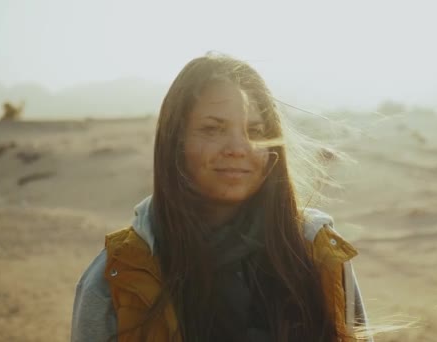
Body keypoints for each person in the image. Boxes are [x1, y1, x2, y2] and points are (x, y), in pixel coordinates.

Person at [71, 53, 373, 342]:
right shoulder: (119, 277)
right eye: (213, 129)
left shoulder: (317, 254)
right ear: (175, 142)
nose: (238, 147)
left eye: (255, 131)